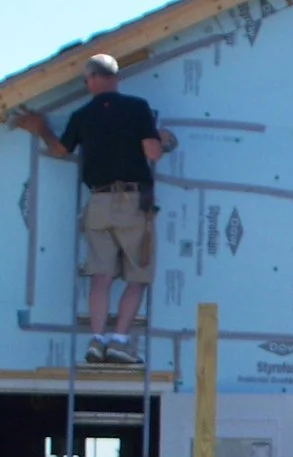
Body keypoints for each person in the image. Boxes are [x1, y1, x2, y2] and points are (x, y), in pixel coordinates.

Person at [10, 53, 178, 363]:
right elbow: (153, 153)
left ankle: (96, 339)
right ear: (116, 78)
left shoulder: (82, 115)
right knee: (137, 275)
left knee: (101, 277)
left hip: (98, 203)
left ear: (90, 82)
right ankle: (118, 340)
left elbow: (60, 150)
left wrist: (41, 128)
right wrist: (166, 141)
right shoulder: (137, 107)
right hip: (131, 201)